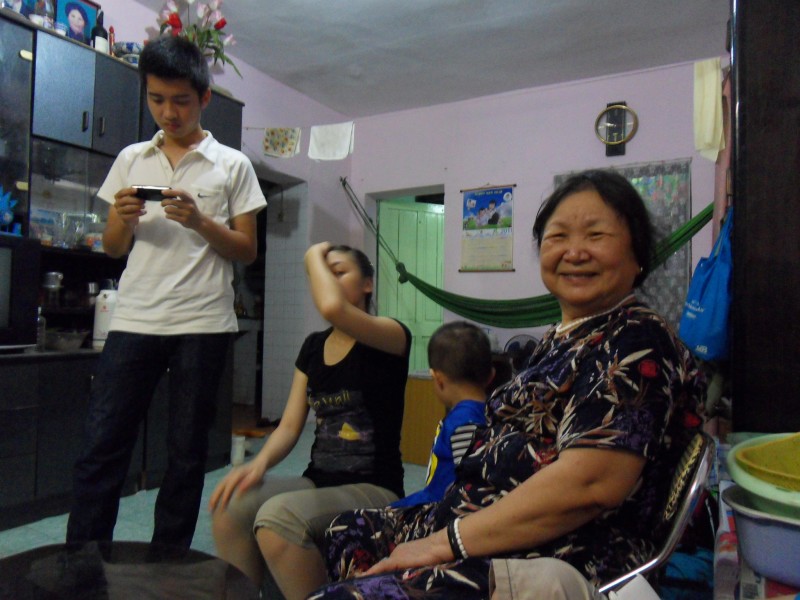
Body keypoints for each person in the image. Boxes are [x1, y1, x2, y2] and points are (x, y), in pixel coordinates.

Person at [309, 169, 707, 599]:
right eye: (557, 236)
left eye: (596, 235)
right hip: (478, 521)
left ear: (638, 255)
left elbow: (590, 485)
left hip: (560, 549)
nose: (574, 252)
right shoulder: (561, 337)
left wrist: (444, 543)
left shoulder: (636, 339)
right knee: (345, 530)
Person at [66, 36, 267, 552]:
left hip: (204, 324)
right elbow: (113, 248)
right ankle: (82, 562)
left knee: (186, 454)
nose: (168, 112)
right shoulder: (132, 158)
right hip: (134, 319)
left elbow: (246, 250)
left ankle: (168, 565)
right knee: (101, 445)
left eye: (180, 100)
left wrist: (200, 221)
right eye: (156, 99)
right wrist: (123, 219)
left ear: (204, 97)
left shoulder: (233, 165)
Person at [209, 242, 412, 600]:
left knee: (278, 517)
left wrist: (313, 255)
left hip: (376, 487)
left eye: (339, 272)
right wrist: (258, 465)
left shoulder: (391, 335)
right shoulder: (313, 347)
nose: (328, 281)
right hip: (318, 480)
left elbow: (332, 306)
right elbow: (289, 426)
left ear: (367, 284)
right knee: (231, 504)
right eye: (324, 274)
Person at [391, 321, 491, 509]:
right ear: (491, 376)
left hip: (439, 509)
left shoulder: (465, 422)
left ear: (438, 379)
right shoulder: (488, 412)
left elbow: (468, 486)